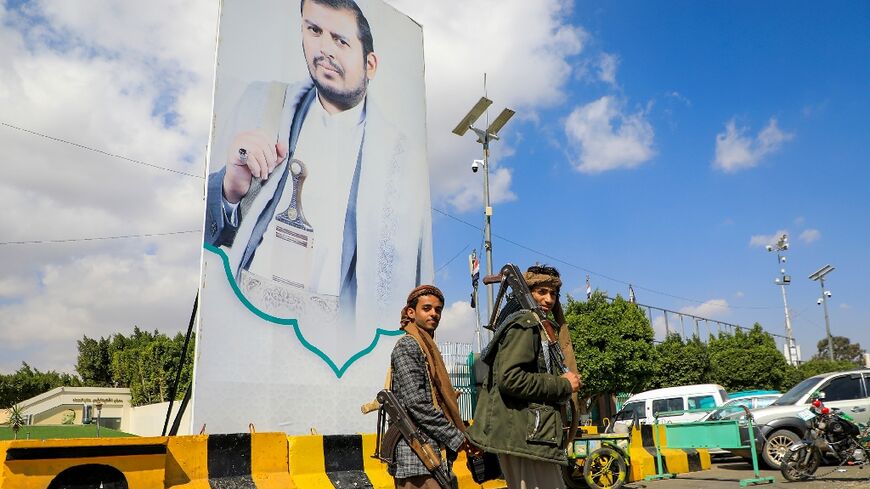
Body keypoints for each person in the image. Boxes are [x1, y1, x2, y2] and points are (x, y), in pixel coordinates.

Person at [204, 0, 431, 324]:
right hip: (248, 319)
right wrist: (230, 191)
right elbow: (214, 240)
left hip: (339, 339)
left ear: (371, 64)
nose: (324, 49)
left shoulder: (403, 159)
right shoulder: (260, 104)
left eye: (340, 40)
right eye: (314, 30)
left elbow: (415, 277)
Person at [466, 265, 582, 489]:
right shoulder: (525, 325)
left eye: (553, 294)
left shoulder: (536, 324)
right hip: (523, 436)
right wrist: (563, 384)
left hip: (530, 435)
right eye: (542, 292)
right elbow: (511, 378)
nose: (549, 299)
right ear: (528, 293)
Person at [388, 285, 472, 489]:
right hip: (416, 457)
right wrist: (457, 438)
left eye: (438, 309)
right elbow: (416, 404)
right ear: (411, 312)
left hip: (432, 454)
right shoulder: (408, 346)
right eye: (427, 308)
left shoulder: (428, 348)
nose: (434, 314)